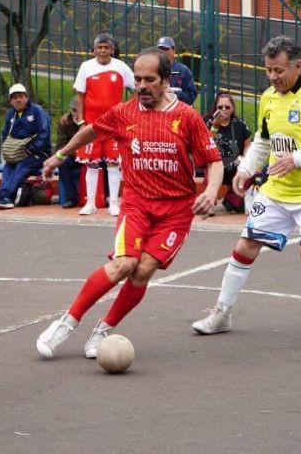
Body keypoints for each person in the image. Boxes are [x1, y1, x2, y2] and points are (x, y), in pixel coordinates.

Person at [35, 48, 223, 359]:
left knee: (143, 271)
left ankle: (103, 329)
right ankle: (67, 323)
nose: (141, 86)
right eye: (137, 79)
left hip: (175, 212)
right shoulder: (125, 112)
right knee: (125, 264)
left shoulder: (186, 117)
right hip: (136, 203)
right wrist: (60, 155)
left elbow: (213, 161)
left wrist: (210, 191)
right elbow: (89, 131)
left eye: (149, 79)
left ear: (165, 81)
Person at [191, 35, 301, 344]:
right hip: (276, 190)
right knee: (244, 246)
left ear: (297, 66)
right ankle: (222, 313)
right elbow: (264, 139)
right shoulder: (268, 97)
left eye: (278, 70)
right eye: (268, 70)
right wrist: (248, 169)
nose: (273, 77)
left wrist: (298, 159)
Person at [73, 33, 135, 216]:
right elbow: (80, 96)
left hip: (114, 125)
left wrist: (130, 113)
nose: (102, 51)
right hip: (92, 125)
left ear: (112, 50)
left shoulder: (121, 67)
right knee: (91, 163)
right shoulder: (86, 67)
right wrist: (82, 122)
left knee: (113, 163)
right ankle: (90, 203)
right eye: (99, 47)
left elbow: (136, 89)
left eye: (106, 47)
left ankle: (114, 203)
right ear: (94, 50)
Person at [0, 84, 51, 209]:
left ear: (26, 97)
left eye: (21, 96)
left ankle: (2, 193)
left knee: (22, 165)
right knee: (8, 166)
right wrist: (11, 151)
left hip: (38, 154)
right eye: (15, 97)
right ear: (11, 101)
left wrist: (31, 149)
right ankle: (7, 199)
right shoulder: (10, 114)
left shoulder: (37, 110)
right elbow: (6, 134)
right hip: (18, 154)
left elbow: (45, 133)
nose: (18, 100)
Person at [205, 92, 251, 213]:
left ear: (233, 108)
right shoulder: (208, 122)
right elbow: (205, 144)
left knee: (249, 171)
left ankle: (231, 201)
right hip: (215, 164)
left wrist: (245, 159)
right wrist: (215, 125)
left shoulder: (240, 124)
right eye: (220, 107)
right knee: (212, 167)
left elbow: (247, 145)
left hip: (234, 164)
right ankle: (209, 202)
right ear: (215, 108)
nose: (224, 110)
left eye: (227, 107)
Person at [56, 98, 82, 208]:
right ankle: (72, 198)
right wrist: (75, 153)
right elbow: (61, 145)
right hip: (73, 155)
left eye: (78, 110)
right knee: (63, 163)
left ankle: (104, 196)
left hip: (90, 155)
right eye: (73, 110)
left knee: (105, 163)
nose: (76, 114)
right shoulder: (64, 122)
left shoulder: (90, 119)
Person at [156, 36, 198, 105]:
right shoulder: (152, 70)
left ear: (174, 50)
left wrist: (174, 93)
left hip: (178, 113)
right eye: (160, 49)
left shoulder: (183, 70)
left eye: (166, 49)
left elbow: (191, 97)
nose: (163, 52)